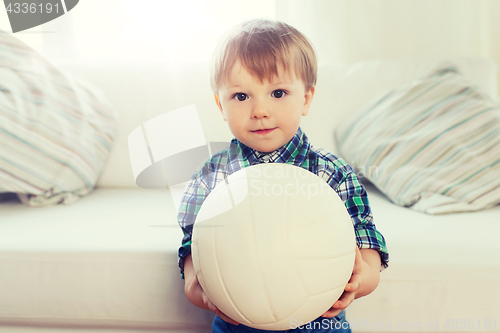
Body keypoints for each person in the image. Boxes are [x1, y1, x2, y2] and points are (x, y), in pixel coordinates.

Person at [177, 19, 389, 332]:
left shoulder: (332, 173)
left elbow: (366, 240)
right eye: (241, 96)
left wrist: (361, 280)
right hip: (238, 322)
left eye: (277, 93)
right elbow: (194, 247)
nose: (260, 110)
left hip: (320, 322)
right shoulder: (211, 177)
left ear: (305, 98)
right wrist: (199, 288)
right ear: (220, 104)